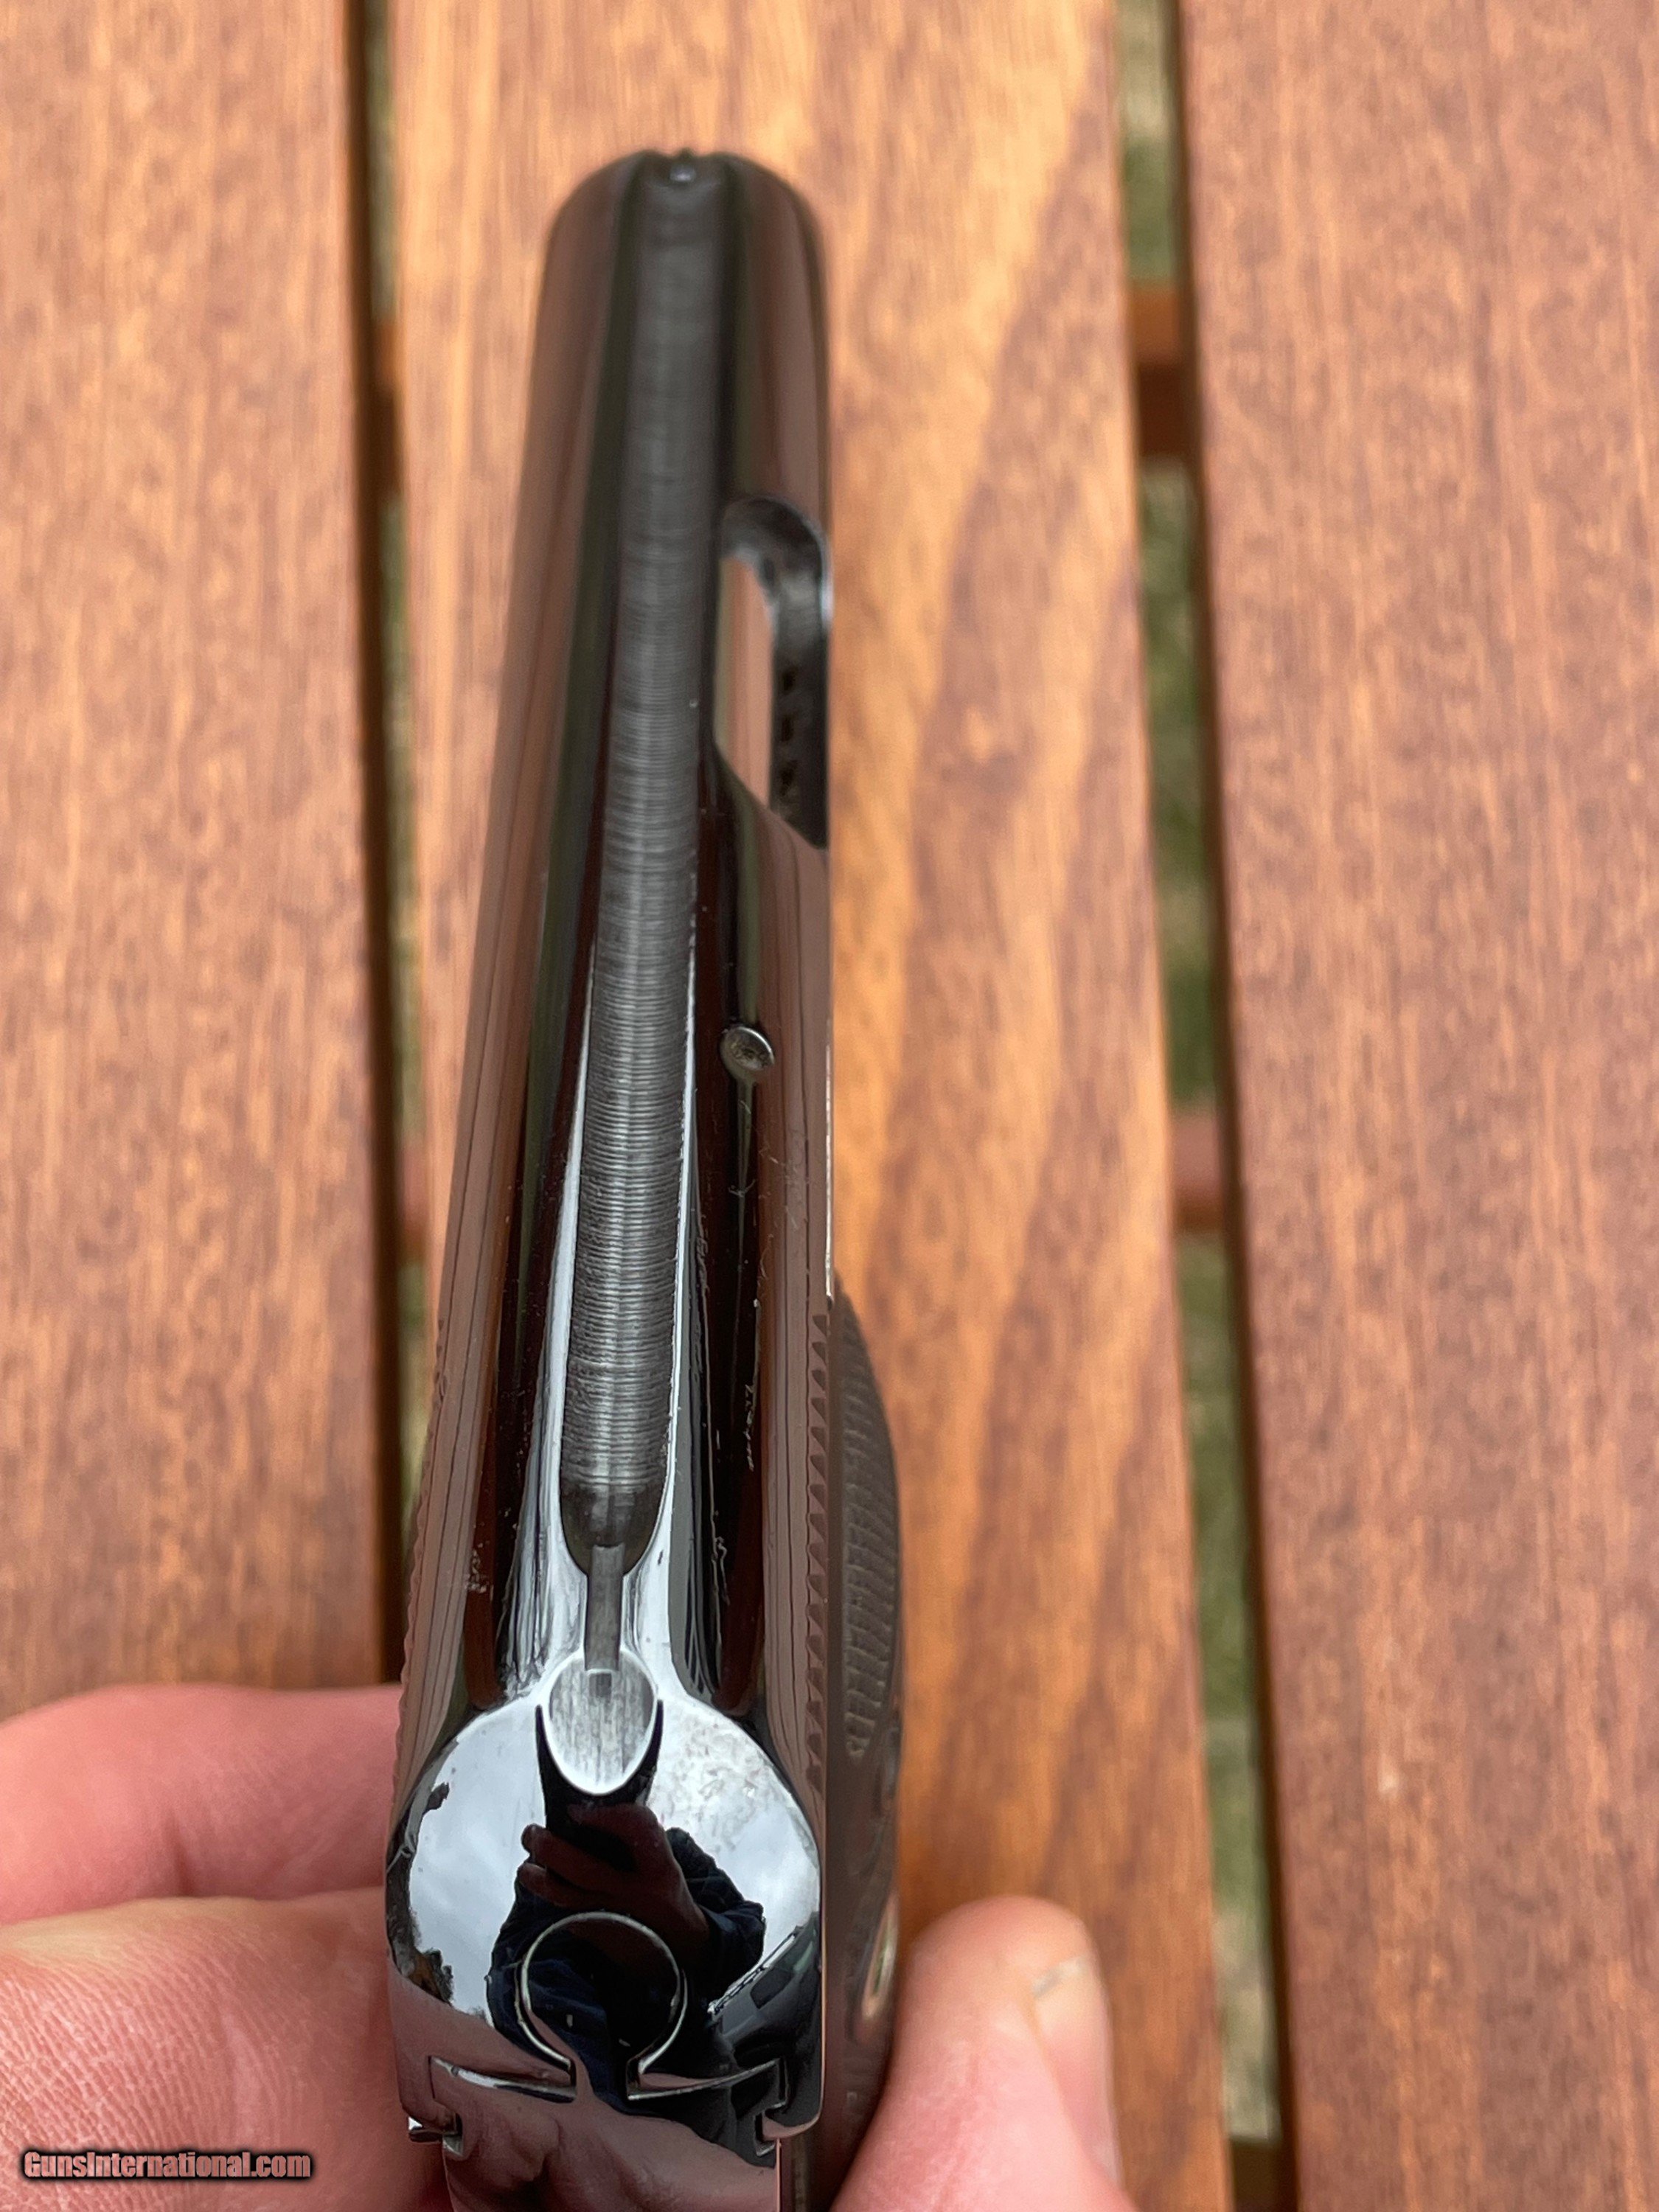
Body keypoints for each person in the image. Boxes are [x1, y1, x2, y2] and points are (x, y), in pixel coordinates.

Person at [0, 1684, 1133, 2209]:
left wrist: (678, 1931)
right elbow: (503, 1988)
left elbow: (729, 1950)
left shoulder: (683, 1875)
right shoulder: (536, 1891)